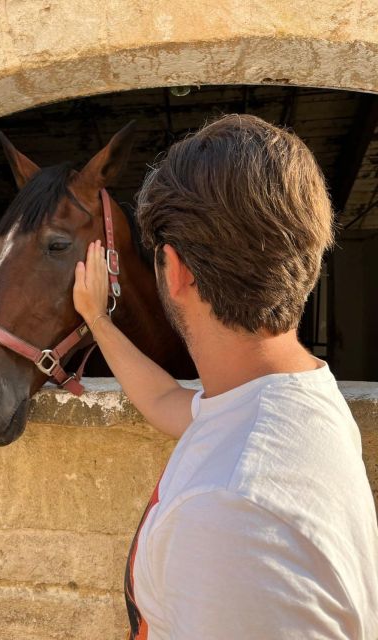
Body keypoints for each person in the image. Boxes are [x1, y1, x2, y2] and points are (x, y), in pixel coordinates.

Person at [73, 114, 378, 639]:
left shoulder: (233, 516)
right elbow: (168, 398)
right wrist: (98, 319)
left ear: (176, 269)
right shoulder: (293, 395)